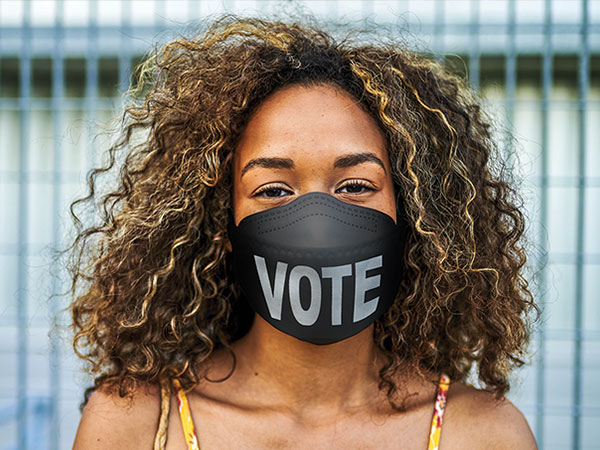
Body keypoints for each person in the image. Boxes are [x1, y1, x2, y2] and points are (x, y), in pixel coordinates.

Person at [69, 13, 540, 450]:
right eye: (273, 190)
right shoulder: (138, 422)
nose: (317, 222)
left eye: (355, 185)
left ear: (412, 213)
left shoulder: (484, 433)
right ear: (224, 224)